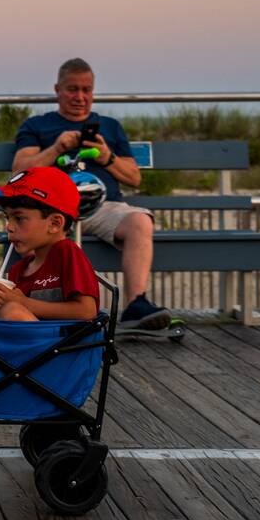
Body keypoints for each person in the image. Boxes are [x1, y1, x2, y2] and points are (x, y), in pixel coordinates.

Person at [12, 58, 171, 331]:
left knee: (140, 221)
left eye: (87, 90)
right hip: (54, 210)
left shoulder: (109, 127)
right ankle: (38, 307)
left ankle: (135, 305)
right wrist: (57, 147)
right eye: (72, 89)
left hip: (102, 207)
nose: (80, 97)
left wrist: (107, 156)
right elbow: (18, 172)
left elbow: (134, 177)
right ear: (57, 90)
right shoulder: (38, 125)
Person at [0, 167, 100, 321]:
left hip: (63, 342)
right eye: (7, 217)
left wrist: (22, 302)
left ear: (54, 224)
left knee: (12, 311)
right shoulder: (18, 269)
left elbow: (86, 311)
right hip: (29, 338)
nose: (9, 227)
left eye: (19, 218)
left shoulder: (67, 252)